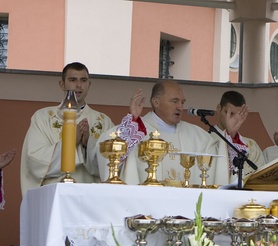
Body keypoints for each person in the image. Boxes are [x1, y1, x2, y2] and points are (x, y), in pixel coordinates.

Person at [102, 80, 230, 186]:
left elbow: (221, 157)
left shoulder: (196, 135)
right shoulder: (136, 130)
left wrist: (231, 132)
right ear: (156, 102)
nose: (180, 107)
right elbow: (107, 153)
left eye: (182, 102)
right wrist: (133, 121)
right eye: (174, 101)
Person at [20, 62, 115, 195]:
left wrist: (88, 143)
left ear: (89, 84)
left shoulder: (103, 121)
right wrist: (70, 141)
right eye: (72, 80)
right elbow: (35, 160)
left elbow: (111, 165)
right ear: (62, 84)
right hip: (55, 195)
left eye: (83, 80)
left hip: (89, 195)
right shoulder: (43, 117)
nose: (78, 85)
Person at [212, 91, 264, 184]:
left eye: (238, 115)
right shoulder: (205, 140)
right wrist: (229, 134)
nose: (233, 119)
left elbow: (261, 176)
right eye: (230, 113)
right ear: (218, 108)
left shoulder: (251, 146)